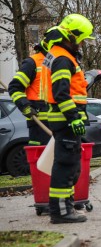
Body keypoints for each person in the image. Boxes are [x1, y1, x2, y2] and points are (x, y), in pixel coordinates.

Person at [40, 14, 96, 224]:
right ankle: (62, 211)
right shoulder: (63, 59)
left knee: (70, 164)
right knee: (66, 165)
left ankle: (66, 207)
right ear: (71, 37)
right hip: (65, 121)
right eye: (81, 40)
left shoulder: (58, 55)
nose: (81, 44)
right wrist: (73, 117)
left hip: (63, 120)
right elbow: (61, 93)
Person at [8, 38, 53, 146]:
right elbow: (15, 87)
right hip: (39, 123)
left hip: (58, 122)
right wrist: (25, 106)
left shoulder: (58, 63)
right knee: (39, 158)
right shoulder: (32, 63)